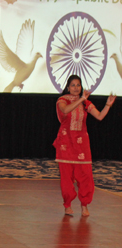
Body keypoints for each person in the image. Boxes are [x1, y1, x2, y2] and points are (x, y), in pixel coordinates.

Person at [53, 75, 116, 217]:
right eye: (73, 85)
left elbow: (99, 116)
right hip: (66, 144)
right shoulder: (62, 100)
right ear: (68, 87)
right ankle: (67, 205)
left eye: (78, 85)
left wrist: (108, 105)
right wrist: (82, 99)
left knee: (86, 177)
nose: (76, 88)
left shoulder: (85, 103)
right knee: (67, 178)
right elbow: (65, 110)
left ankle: (84, 205)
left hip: (82, 145)